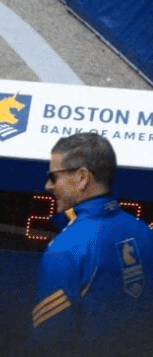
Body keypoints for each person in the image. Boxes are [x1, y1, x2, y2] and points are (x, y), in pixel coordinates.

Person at [29, 132, 153, 346]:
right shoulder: (144, 232)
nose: (48, 186)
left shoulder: (66, 249)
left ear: (82, 177)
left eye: (53, 177)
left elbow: (48, 342)